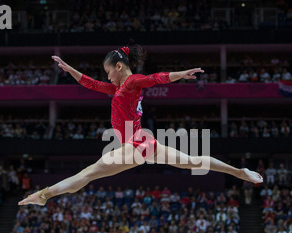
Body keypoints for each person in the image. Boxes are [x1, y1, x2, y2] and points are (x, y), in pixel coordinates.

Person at [19, 44, 263, 206]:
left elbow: (155, 78)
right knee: (194, 161)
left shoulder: (132, 81)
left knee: (88, 173)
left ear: (118, 66)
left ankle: (44, 195)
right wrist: (69, 69)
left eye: (108, 71)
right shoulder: (118, 88)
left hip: (135, 143)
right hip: (142, 142)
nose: (107, 77)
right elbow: (91, 84)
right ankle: (240, 173)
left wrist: (181, 74)